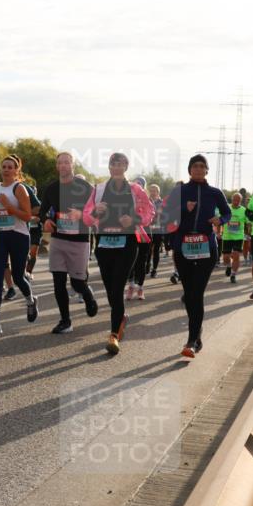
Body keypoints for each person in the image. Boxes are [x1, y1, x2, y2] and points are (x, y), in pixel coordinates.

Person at [83, 152, 154, 355]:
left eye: (120, 163)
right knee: (110, 289)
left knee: (117, 286)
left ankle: (114, 334)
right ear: (109, 166)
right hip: (104, 244)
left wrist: (133, 221)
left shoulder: (135, 189)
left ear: (126, 166)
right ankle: (121, 317)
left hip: (127, 243)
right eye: (113, 163)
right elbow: (87, 219)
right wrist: (96, 211)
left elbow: (149, 213)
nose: (116, 166)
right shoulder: (99, 189)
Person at [164, 154, 230, 358]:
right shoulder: (180, 191)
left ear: (207, 170)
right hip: (183, 248)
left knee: (196, 294)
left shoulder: (215, 192)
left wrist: (221, 219)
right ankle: (197, 335)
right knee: (190, 293)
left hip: (206, 248)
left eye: (202, 166)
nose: (199, 169)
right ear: (189, 169)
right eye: (195, 166)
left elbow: (227, 213)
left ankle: (192, 340)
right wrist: (184, 208)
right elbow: (165, 214)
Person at [0, 154, 39, 337]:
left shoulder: (19, 188)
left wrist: (9, 206)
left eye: (10, 167)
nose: (6, 169)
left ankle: (30, 301)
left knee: (18, 276)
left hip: (18, 235)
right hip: (0, 234)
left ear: (16, 170)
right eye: (4, 166)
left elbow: (27, 216)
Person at [40, 151, 98, 333]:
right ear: (57, 166)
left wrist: (81, 214)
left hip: (79, 240)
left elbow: (97, 210)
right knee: (58, 281)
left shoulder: (84, 186)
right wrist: (45, 221)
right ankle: (65, 321)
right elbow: (42, 211)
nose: (64, 165)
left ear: (72, 165)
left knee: (77, 283)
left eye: (67, 162)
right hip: (58, 239)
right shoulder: (51, 189)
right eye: (60, 162)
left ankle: (88, 295)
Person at [125, 175, 154, 300]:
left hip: (144, 233)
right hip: (130, 233)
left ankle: (141, 288)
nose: (137, 186)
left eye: (140, 184)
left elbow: (150, 216)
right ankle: (131, 286)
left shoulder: (147, 200)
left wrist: (139, 220)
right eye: (135, 183)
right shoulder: (126, 199)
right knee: (129, 262)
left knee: (141, 262)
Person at [221, 191, 247, 284]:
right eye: (235, 200)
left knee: (236, 255)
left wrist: (248, 234)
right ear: (232, 199)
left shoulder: (244, 210)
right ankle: (228, 266)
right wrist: (219, 231)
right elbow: (220, 219)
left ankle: (233, 275)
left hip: (238, 236)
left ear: (241, 200)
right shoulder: (226, 208)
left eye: (238, 200)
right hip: (227, 236)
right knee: (226, 258)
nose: (236, 202)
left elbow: (248, 222)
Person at [147, 183, 164, 277]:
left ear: (158, 192)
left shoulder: (162, 203)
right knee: (148, 249)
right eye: (151, 191)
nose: (152, 193)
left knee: (156, 249)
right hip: (147, 229)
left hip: (158, 229)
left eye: (154, 191)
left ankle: (154, 270)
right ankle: (147, 265)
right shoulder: (145, 201)